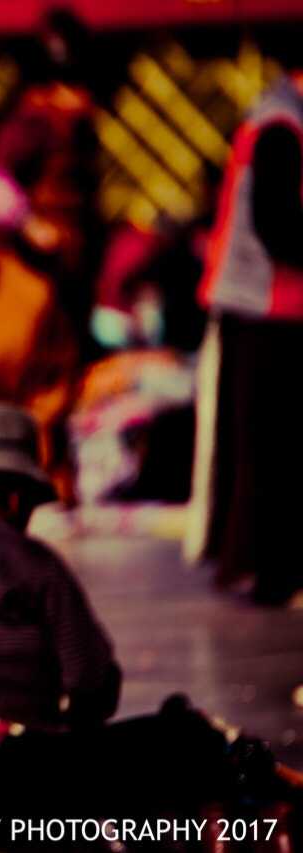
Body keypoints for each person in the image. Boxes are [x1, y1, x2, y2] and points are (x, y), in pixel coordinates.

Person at [0, 400, 300, 848]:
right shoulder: (30, 561)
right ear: (14, 498)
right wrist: (64, 741)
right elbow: (94, 685)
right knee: (185, 736)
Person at [189, 71, 303, 606]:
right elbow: (277, 226)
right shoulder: (283, 123)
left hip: (261, 305)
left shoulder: (274, 114)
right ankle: (273, 572)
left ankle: (263, 568)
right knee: (274, 448)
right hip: (269, 306)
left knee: (265, 448)